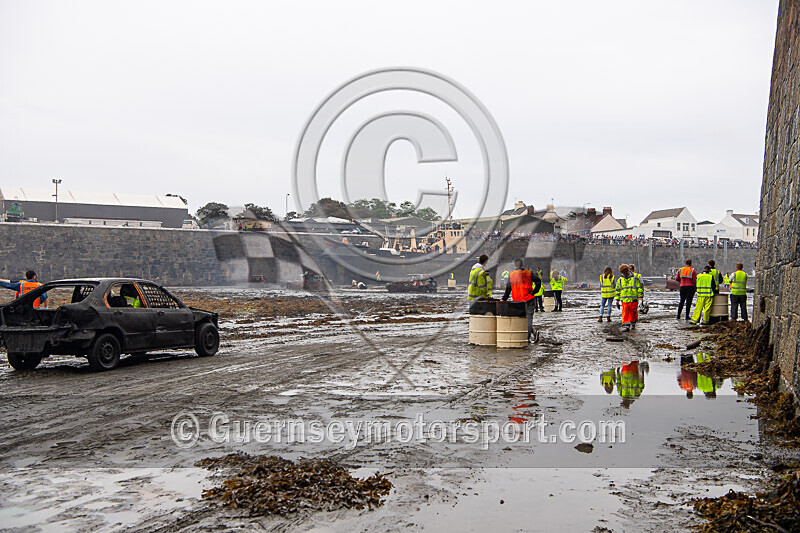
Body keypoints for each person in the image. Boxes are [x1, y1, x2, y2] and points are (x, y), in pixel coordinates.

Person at [502, 258, 541, 343]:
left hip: (517, 301)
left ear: (514, 265)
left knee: (521, 319)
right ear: (522, 265)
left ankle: (527, 338)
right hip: (529, 299)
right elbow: (538, 281)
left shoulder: (511, 274)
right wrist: (534, 292)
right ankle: (531, 334)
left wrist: (503, 299)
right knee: (529, 319)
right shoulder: (529, 273)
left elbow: (508, 289)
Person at [615, 264, 643, 331]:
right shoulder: (620, 280)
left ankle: (633, 322)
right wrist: (617, 300)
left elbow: (639, 288)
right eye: (623, 273)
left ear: (628, 270)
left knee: (633, 312)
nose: (625, 274)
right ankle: (626, 326)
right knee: (625, 313)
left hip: (633, 299)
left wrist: (640, 297)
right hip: (624, 300)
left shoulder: (635, 278)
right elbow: (618, 290)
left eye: (625, 272)